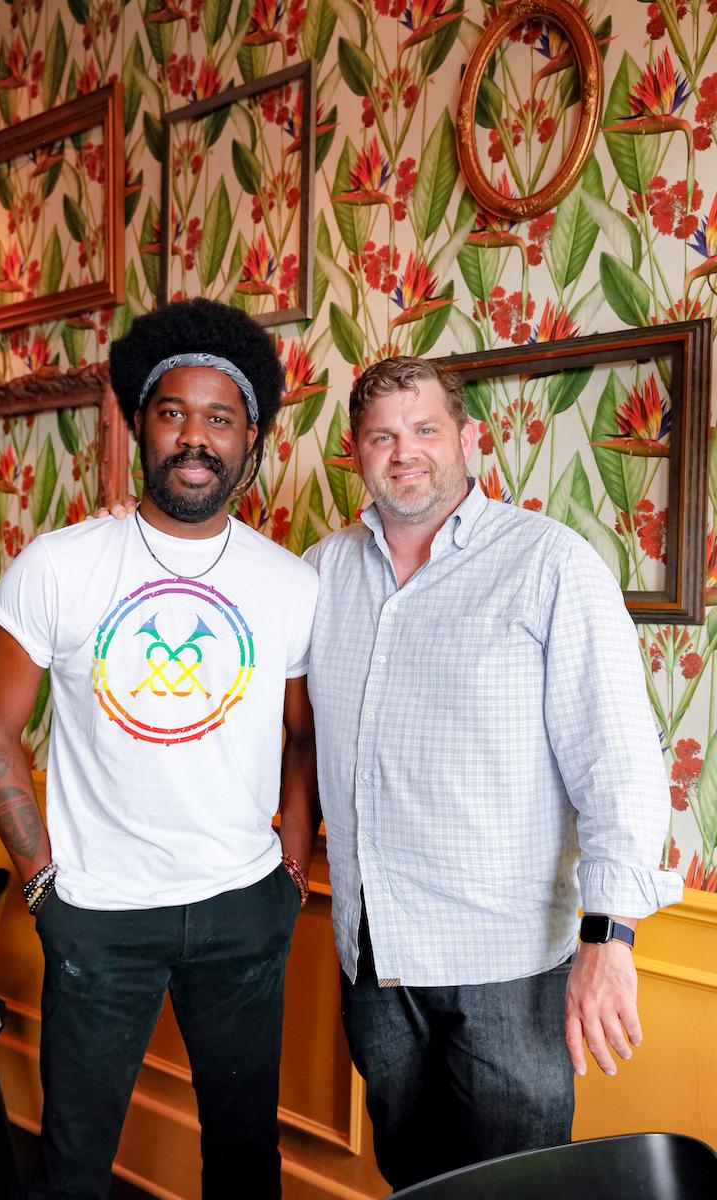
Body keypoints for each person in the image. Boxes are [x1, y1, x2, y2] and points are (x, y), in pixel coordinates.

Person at [302, 355, 683, 1192]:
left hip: (509, 965)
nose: (405, 452)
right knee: (412, 1182)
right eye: (382, 436)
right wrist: (142, 536)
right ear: (356, 454)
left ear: (468, 437)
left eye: (425, 429)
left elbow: (618, 758)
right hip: (375, 957)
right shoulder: (321, 573)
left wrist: (611, 937)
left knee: (516, 1191)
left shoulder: (549, 563)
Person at [0, 297, 319, 1200]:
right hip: (98, 917)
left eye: (219, 419)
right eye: (173, 414)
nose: (194, 438)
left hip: (244, 911)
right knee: (75, 1167)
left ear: (252, 441)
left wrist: (290, 868)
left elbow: (303, 737)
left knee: (245, 1160)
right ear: (138, 428)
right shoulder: (59, 565)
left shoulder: (288, 584)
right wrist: (43, 881)